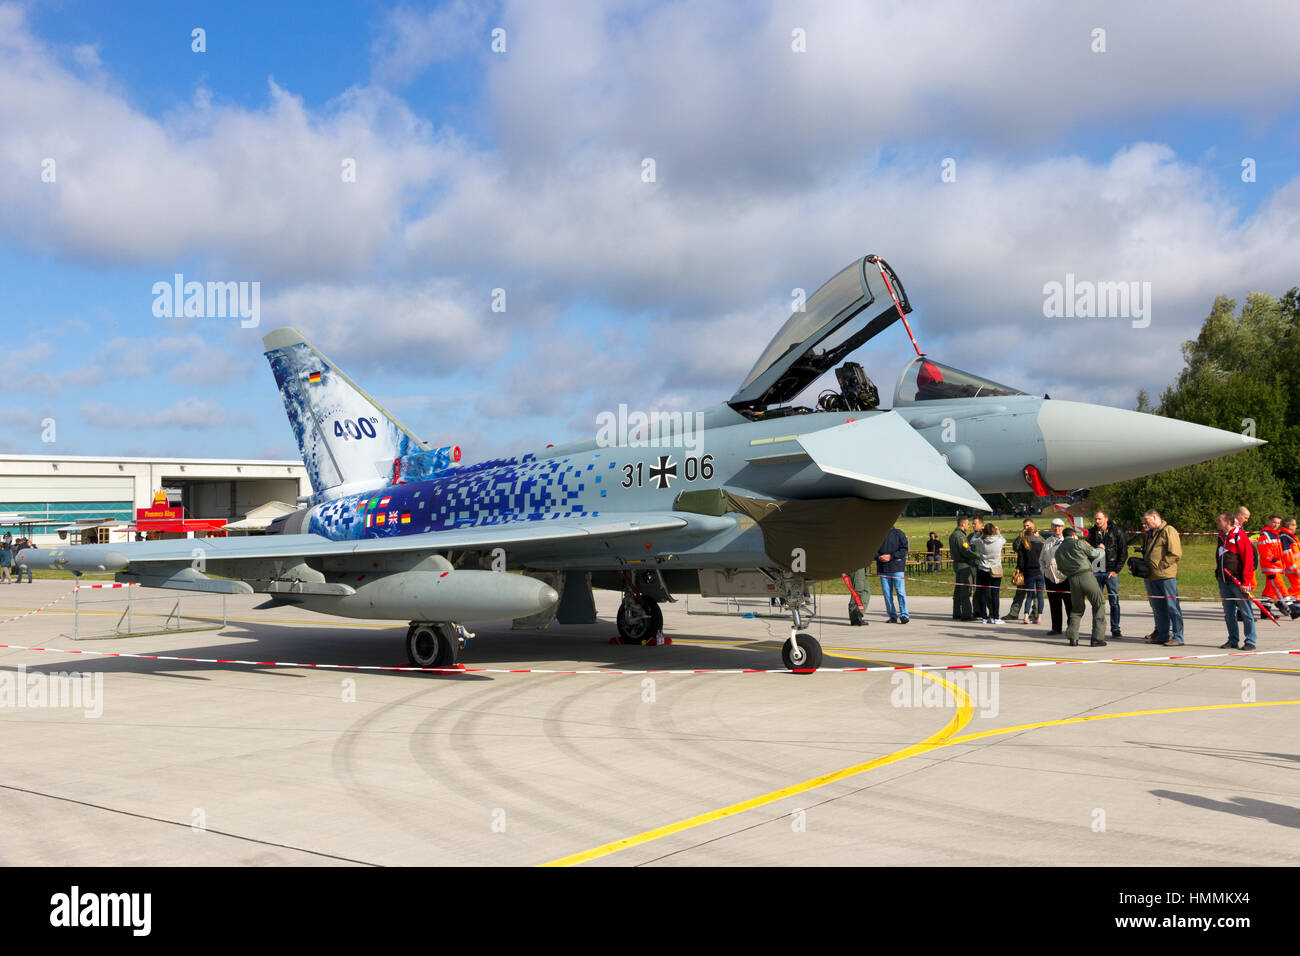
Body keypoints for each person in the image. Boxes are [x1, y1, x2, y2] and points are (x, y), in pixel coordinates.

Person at [1055, 526, 1107, 647]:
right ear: (1073, 535)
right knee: (1099, 604)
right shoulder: (1078, 543)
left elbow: (1060, 568)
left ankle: (1073, 637)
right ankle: (1097, 638)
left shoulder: (1059, 550)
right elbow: (1094, 554)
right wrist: (1101, 549)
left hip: (1072, 580)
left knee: (1077, 609)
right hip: (1086, 576)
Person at [1141, 509, 1184, 646]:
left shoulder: (1168, 530)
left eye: (1147, 521)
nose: (1145, 524)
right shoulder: (1152, 533)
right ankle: (1163, 634)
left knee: (1172, 607)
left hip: (1166, 576)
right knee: (1159, 608)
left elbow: (1175, 553)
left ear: (1155, 517)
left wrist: (1161, 565)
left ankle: (1178, 636)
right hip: (1152, 576)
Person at [1215, 511, 1257, 651]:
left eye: (1220, 520)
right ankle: (1233, 639)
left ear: (1228, 522)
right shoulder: (1221, 537)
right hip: (1224, 580)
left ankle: (1250, 640)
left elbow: (1248, 560)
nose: (1217, 522)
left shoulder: (1240, 536)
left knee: (1246, 611)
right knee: (1228, 612)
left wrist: (1246, 582)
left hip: (1238, 581)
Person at [1087, 510, 1127, 638]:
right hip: (1096, 572)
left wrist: (1116, 571)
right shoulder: (1092, 532)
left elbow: (1123, 552)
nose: (1097, 522)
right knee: (1097, 602)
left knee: (1114, 602)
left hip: (1111, 572)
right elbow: (1087, 550)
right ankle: (1098, 627)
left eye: (1099, 519)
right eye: (1095, 519)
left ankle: (1115, 628)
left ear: (1106, 518)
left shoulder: (1116, 531)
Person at [1255, 515, 1296, 620]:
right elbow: (1263, 550)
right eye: (1274, 522)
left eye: (1278, 523)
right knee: (1280, 587)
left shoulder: (1276, 534)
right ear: (1269, 521)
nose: (1276, 525)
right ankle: (1292, 608)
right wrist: (1273, 559)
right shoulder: (1265, 534)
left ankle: (1265, 611)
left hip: (1278, 567)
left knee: (1270, 591)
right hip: (1271, 567)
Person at [1040, 518, 1073, 634]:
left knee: (1069, 605)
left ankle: (1071, 628)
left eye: (1059, 526)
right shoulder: (1048, 541)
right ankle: (1056, 628)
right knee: (1054, 605)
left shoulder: (1068, 541)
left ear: (1063, 528)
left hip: (1065, 578)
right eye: (1054, 526)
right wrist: (1045, 572)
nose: (1056, 528)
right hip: (1050, 578)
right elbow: (1042, 559)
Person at [1007, 519, 1045, 624]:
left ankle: (1035, 613)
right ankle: (1014, 613)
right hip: (1024, 570)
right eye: (1024, 526)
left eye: (1028, 526)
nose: (1025, 528)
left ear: (1033, 526)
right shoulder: (1023, 537)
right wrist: (1020, 537)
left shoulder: (1039, 538)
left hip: (1035, 570)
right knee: (1020, 592)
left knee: (1036, 595)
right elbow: (1016, 548)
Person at [876, 525, 910, 623]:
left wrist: (891, 556)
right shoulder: (878, 535)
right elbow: (872, 549)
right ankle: (892, 615)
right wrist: (878, 557)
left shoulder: (899, 533)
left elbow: (904, 549)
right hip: (883, 569)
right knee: (887, 594)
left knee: (900, 592)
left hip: (897, 568)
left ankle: (904, 615)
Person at [973, 523, 1006, 624]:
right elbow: (1003, 539)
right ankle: (996, 617)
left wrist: (978, 532)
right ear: (994, 531)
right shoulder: (999, 541)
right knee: (995, 594)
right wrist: (998, 531)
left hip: (983, 569)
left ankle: (984, 617)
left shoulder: (981, 541)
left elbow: (972, 541)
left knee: (983, 593)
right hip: (995, 568)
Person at [949, 517, 980, 621]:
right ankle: (966, 614)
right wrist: (977, 555)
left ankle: (956, 612)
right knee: (965, 590)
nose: (969, 526)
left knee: (958, 590)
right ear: (962, 525)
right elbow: (965, 551)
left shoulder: (953, 534)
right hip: (964, 565)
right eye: (967, 524)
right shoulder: (961, 536)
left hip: (957, 565)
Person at [1281, 517, 1300, 615]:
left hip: (1296, 566)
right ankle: (1283, 602)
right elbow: (1288, 554)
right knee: (1298, 586)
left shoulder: (1290, 536)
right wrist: (1295, 568)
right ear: (1289, 526)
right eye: (1295, 524)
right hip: (1292, 568)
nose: (1296, 526)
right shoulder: (1285, 537)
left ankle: (1295, 605)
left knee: (1297, 586)